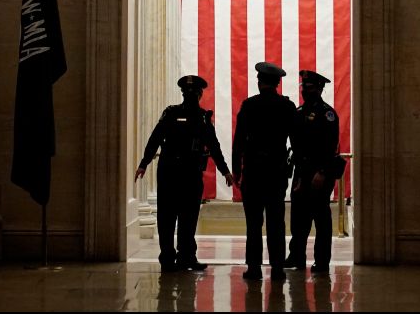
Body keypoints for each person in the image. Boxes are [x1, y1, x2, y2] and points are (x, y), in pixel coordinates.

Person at [135, 75, 234, 272]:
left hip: (178, 173)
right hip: (181, 173)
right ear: (199, 94)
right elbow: (156, 139)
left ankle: (179, 257)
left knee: (177, 217)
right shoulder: (191, 116)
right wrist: (225, 171)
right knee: (178, 217)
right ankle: (177, 257)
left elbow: (155, 140)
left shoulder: (185, 115)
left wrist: (144, 164)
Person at [232, 62, 296, 281]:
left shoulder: (249, 105)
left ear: (259, 82)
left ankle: (254, 268)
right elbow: (296, 141)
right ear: (277, 83)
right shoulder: (287, 106)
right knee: (276, 222)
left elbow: (239, 141)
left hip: (253, 172)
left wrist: (237, 171)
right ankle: (277, 268)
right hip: (276, 172)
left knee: (253, 223)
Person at [284, 70, 340, 274]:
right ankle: (296, 256)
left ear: (319, 89)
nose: (305, 91)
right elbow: (296, 145)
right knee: (298, 217)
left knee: (321, 218)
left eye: (309, 87)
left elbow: (331, 146)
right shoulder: (298, 113)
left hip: (320, 173)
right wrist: (298, 174)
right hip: (302, 171)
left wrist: (323, 172)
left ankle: (322, 261)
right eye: (303, 87)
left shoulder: (327, 114)